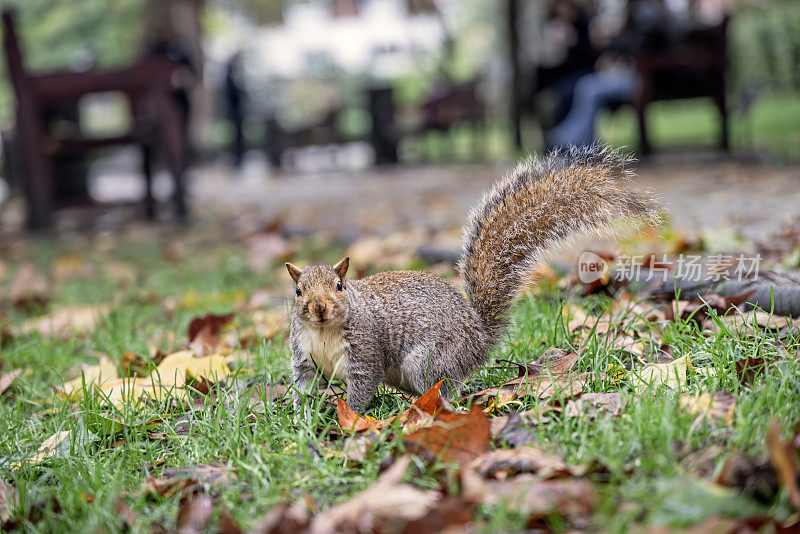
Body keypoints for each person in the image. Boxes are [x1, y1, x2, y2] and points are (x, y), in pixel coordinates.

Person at [545, 0, 680, 149]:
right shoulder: (638, 11)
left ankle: (571, 139)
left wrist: (613, 47)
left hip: (640, 76)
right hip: (633, 72)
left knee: (589, 87)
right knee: (583, 85)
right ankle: (580, 144)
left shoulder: (647, 12)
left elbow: (643, 45)